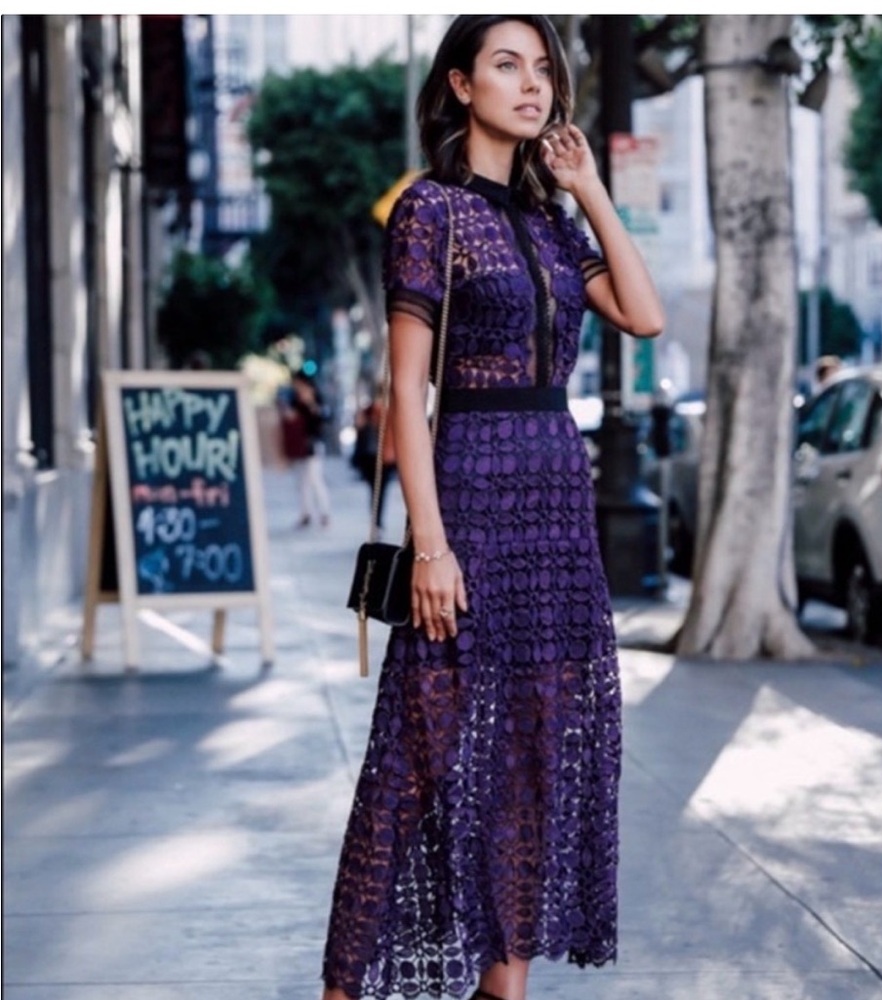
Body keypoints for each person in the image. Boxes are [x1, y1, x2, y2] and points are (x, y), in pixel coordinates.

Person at [320, 16, 664, 1000]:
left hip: (557, 503)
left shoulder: (555, 222)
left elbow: (643, 315)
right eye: (506, 66)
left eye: (542, 69)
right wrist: (429, 544)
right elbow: (405, 392)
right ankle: (344, 988)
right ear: (462, 87)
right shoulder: (428, 211)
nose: (530, 84)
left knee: (535, 752)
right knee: (414, 758)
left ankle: (502, 987)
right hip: (466, 491)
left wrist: (589, 187)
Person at [280, 370, 332, 528]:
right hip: (299, 445)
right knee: (301, 482)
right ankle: (306, 513)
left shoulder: (315, 397)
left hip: (313, 444)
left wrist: (310, 403)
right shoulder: (294, 399)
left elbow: (324, 417)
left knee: (315, 479)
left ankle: (324, 513)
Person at [352, 382, 397, 534]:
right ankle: (376, 521)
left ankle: (377, 521)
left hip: (381, 457)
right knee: (377, 490)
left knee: (378, 490)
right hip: (374, 457)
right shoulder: (373, 410)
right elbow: (359, 426)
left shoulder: (385, 411)